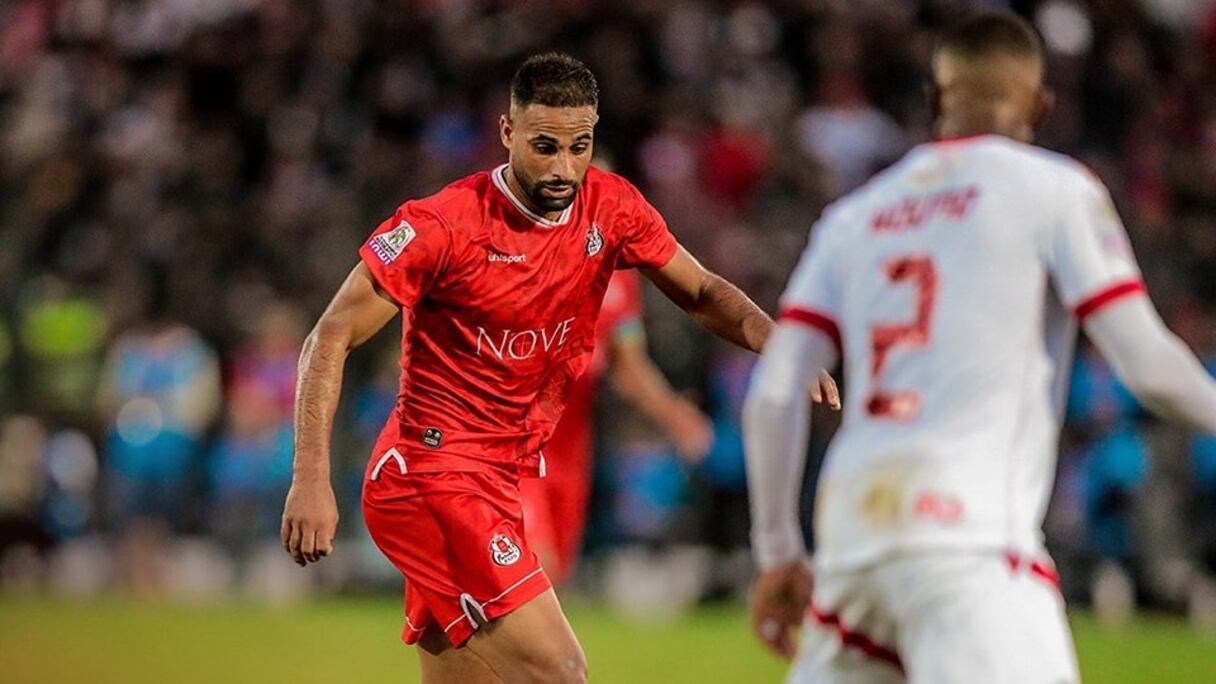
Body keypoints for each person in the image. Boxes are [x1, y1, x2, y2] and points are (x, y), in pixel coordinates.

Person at [281, 52, 838, 684]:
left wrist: (781, 342)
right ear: (508, 132)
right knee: (560, 672)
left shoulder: (611, 207)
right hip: (433, 477)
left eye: (579, 147)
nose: (563, 168)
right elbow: (328, 336)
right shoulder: (441, 225)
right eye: (544, 147)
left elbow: (702, 290)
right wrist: (310, 477)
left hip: (504, 476)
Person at [742, 11, 1216, 684]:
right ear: (1041, 105)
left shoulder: (854, 216)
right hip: (969, 545)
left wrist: (778, 552)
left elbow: (774, 393)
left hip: (854, 548)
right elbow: (1147, 365)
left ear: (935, 99)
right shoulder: (1056, 189)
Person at [519, 268, 713, 585]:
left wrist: (673, 413)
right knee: (533, 572)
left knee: (554, 577)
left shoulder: (619, 279)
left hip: (571, 448)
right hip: (517, 439)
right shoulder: (532, 257)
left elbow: (628, 364)